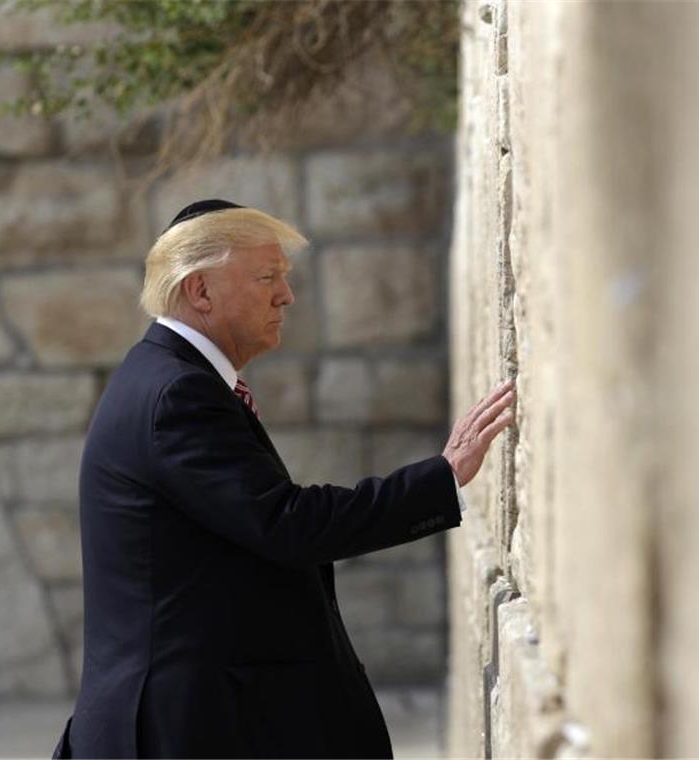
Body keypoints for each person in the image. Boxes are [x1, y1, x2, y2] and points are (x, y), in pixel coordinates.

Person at [52, 199, 515, 759]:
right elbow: (285, 522)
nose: (286, 296)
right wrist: (440, 479)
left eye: (283, 278)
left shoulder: (170, 378)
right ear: (200, 291)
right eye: (267, 277)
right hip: (179, 732)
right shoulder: (176, 393)